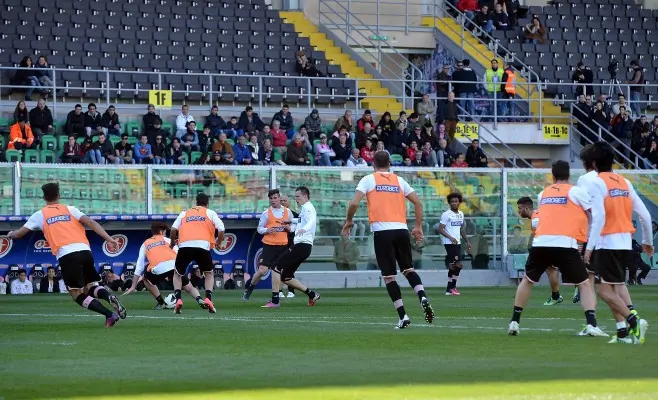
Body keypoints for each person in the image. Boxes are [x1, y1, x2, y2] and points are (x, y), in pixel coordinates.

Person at [507, 161, 606, 338]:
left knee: (527, 280)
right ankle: (591, 324)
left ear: (552, 176)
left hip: (541, 242)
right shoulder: (576, 191)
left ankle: (514, 321)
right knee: (584, 284)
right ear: (569, 176)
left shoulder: (542, 194)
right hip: (564, 242)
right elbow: (594, 213)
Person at [6, 183, 125, 327]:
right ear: (59, 196)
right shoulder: (70, 209)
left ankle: (109, 315)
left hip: (68, 255)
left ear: (44, 197)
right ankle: (109, 296)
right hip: (85, 251)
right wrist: (109, 238)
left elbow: (19, 234)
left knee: (76, 294)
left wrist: (11, 235)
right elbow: (92, 223)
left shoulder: (40, 215)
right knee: (91, 286)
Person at [343, 152, 434, 329]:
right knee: (408, 269)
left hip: (382, 231)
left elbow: (354, 203)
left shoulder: (369, 179)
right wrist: (418, 226)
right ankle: (422, 295)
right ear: (390, 163)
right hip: (401, 230)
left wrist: (349, 221)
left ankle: (404, 317)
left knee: (389, 277)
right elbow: (418, 202)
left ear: (373, 164)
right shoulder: (399, 180)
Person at [587, 142, 652, 344]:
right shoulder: (625, 182)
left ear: (594, 163)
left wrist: (589, 247)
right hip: (625, 242)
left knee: (604, 291)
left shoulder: (597, 183)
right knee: (614, 288)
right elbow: (646, 216)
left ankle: (634, 321)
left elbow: (598, 217)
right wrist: (647, 241)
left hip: (607, 243)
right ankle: (623, 333)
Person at [123, 222, 207, 310]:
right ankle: (199, 299)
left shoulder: (146, 243)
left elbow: (139, 266)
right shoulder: (168, 240)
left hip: (158, 269)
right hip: (174, 266)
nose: (166, 233)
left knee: (145, 278)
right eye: (165, 231)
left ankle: (161, 302)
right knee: (188, 286)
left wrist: (133, 286)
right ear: (161, 231)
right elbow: (180, 254)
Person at [169, 193, 225, 314]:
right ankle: (208, 299)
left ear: (196, 202)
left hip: (185, 246)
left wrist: (173, 243)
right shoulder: (210, 213)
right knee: (209, 274)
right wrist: (218, 242)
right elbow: (221, 229)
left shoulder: (185, 213)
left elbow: (173, 229)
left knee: (177, 274)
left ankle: (178, 299)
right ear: (207, 203)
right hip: (202, 246)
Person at [269, 187, 321, 307]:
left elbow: (312, 220)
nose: (296, 199)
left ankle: (275, 300)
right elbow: (302, 220)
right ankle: (312, 294)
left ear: (305, 196)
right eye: (295, 197)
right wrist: (291, 221)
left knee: (275, 267)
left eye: (298, 196)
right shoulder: (305, 208)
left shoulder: (308, 207)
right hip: (304, 247)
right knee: (286, 277)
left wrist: (304, 229)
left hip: (302, 245)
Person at [243, 189, 293, 307]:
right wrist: (267, 230)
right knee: (262, 271)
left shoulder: (288, 212)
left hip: (283, 245)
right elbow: (259, 229)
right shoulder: (266, 213)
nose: (273, 200)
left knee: (280, 272)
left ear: (279, 198)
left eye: (275, 198)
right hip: (269, 245)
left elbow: (292, 227)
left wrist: (288, 228)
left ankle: (276, 295)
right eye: (271, 198)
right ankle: (250, 288)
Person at [516, 196, 562, 305]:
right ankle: (556, 296)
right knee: (551, 270)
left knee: (544, 271)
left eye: (519, 208)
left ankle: (561, 294)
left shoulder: (535, 220)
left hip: (549, 246)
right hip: (553, 244)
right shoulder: (537, 215)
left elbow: (543, 234)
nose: (518, 211)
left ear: (526, 208)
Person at [437, 192, 472, 296]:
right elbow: (440, 229)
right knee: (459, 264)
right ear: (449, 203)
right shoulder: (446, 214)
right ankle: (453, 287)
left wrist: (467, 241)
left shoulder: (461, 214)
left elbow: (462, 230)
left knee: (452, 266)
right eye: (452, 201)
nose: (454, 203)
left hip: (458, 242)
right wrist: (450, 237)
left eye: (456, 201)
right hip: (449, 243)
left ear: (459, 202)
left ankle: (449, 289)